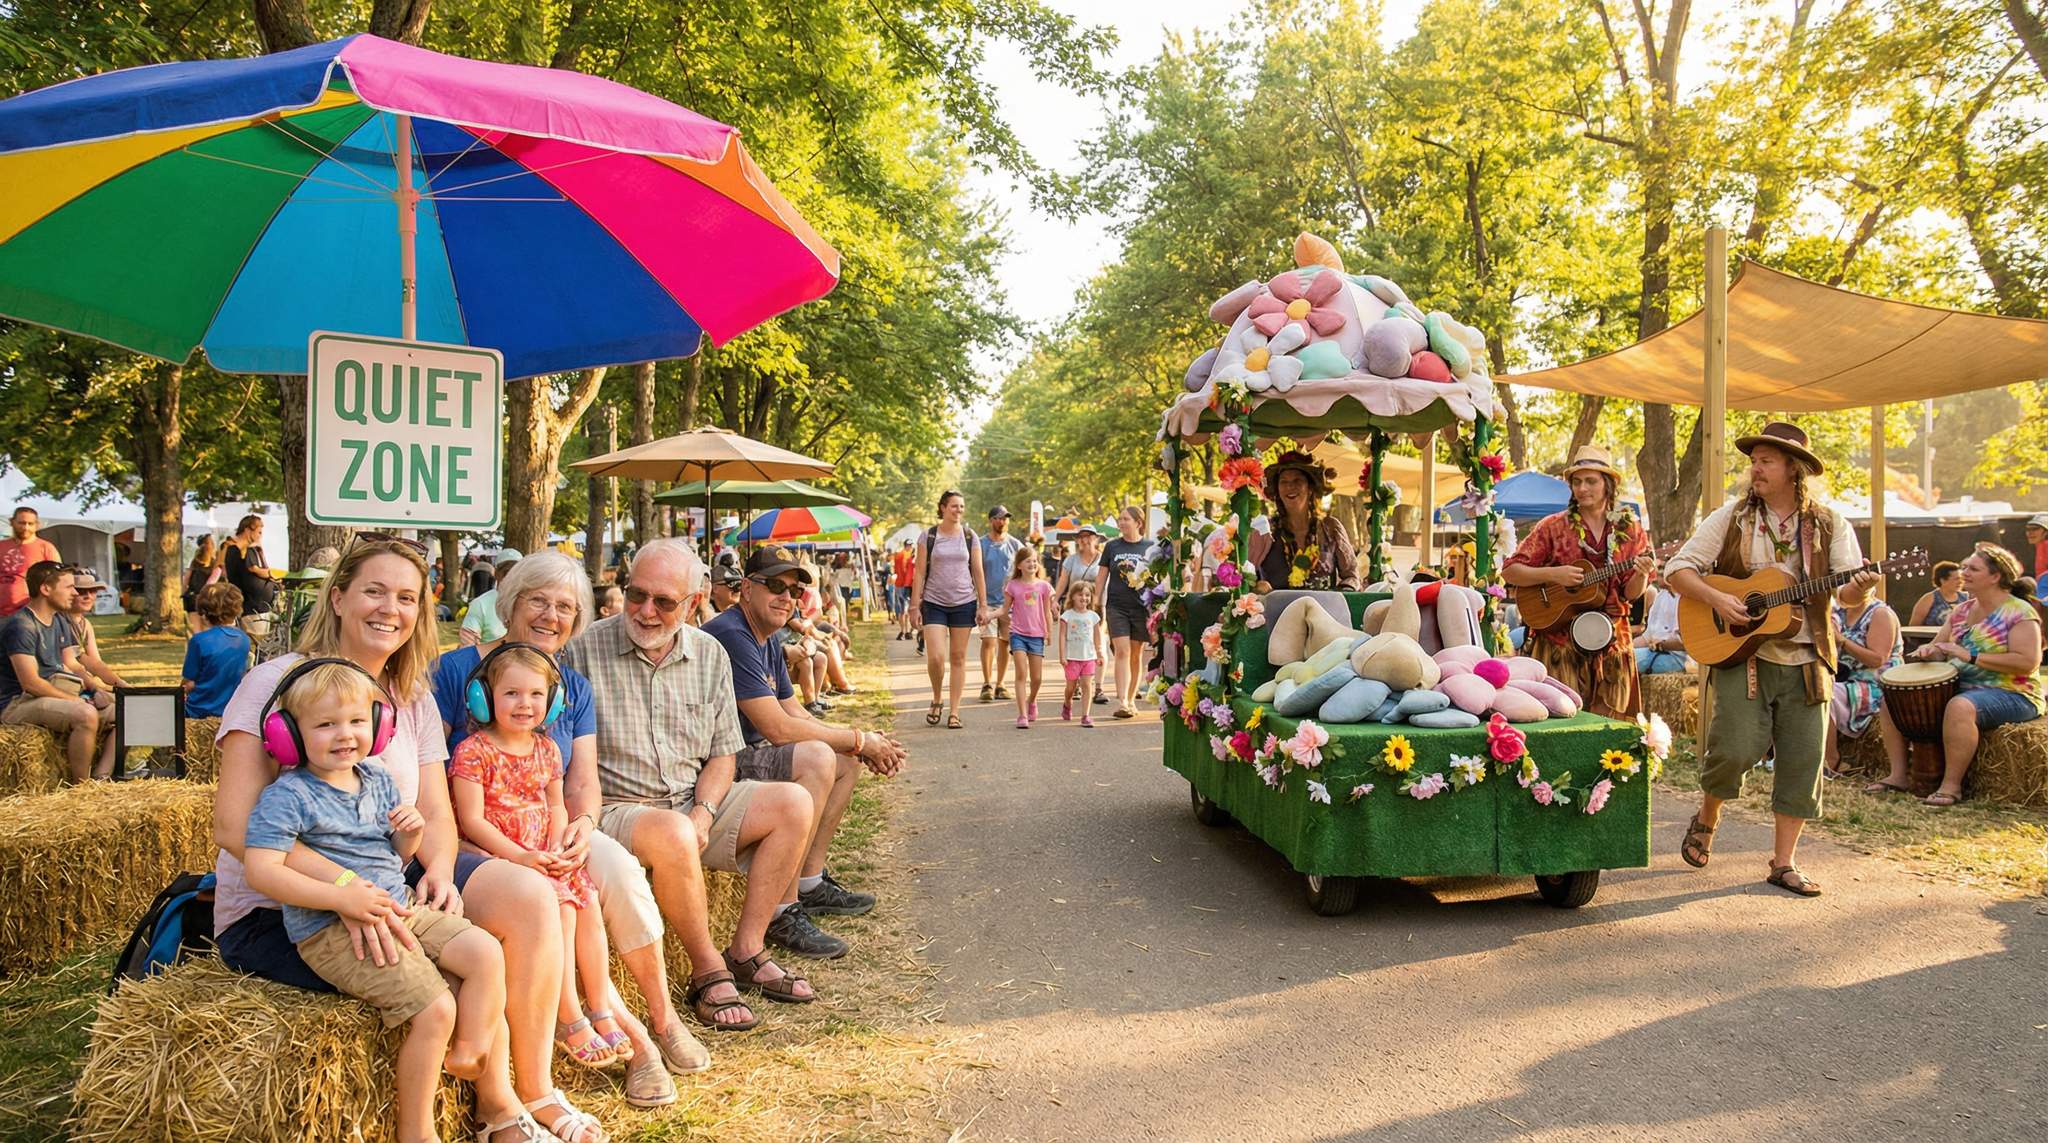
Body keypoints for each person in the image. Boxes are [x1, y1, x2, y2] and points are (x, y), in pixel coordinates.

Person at [212, 538, 597, 1143]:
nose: (389, 608)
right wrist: (345, 888)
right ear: (337, 597)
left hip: (395, 882)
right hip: (280, 910)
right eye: (374, 591)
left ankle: (536, 1086)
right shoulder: (275, 683)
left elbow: (436, 813)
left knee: (528, 896)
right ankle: (497, 1110)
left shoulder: (409, 696)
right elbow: (236, 829)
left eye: (407, 598)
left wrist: (439, 872)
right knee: (442, 982)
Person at [430, 551, 691, 1108]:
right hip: (480, 836)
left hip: (548, 826)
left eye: (566, 608)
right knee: (544, 897)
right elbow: (434, 780)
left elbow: (580, 782)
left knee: (613, 872)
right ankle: (629, 1037)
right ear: (509, 604)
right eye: (538, 601)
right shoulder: (456, 673)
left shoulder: (571, 685)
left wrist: (581, 828)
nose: (551, 616)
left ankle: (659, 1015)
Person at [241, 660, 534, 1143]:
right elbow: (263, 869)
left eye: (357, 722)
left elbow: (390, 857)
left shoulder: (375, 779)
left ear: (379, 728)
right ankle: (416, 1132)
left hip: (397, 905)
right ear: (289, 735)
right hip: (330, 928)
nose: (344, 735)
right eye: (325, 724)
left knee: (485, 953)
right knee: (436, 1008)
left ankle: (468, 1051)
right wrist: (341, 896)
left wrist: (409, 839)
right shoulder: (288, 795)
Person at [559, 538, 826, 1035]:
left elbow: (724, 753)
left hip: (691, 799)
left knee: (793, 801)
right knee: (675, 833)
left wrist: (704, 809)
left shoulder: (708, 654)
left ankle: (746, 949)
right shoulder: (582, 652)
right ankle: (707, 970)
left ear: (693, 602)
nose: (644, 611)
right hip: (619, 809)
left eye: (663, 602)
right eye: (636, 595)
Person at [1665, 422, 1879, 898]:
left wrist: (1859, 585)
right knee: (1734, 749)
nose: (1755, 469)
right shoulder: (1733, 516)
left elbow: (1844, 591)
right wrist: (1718, 601)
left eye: (1766, 461)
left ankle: (1784, 862)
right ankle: (1707, 816)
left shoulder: (1828, 523)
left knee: (1803, 763)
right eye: (1754, 460)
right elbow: (1677, 569)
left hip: (1808, 658)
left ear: (1793, 469)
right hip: (1746, 655)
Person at [701, 546, 904, 931]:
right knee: (818, 757)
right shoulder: (732, 633)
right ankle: (782, 908)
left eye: (794, 591)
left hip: (746, 752)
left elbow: (796, 712)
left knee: (843, 760)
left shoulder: (766, 636)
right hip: (716, 763)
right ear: (745, 588)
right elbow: (777, 728)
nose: (787, 597)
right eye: (775, 585)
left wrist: (856, 743)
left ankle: (808, 882)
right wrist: (859, 739)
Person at [449, 645, 626, 1073]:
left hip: (542, 852)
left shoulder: (547, 750)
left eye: (534, 694)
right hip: (502, 857)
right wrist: (521, 858)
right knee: (562, 912)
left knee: (587, 908)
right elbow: (471, 820)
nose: (524, 704)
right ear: (483, 698)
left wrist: (556, 847)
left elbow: (556, 805)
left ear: (553, 702)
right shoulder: (473, 752)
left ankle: (600, 1005)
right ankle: (569, 1016)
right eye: (510, 693)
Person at [1870, 543, 2043, 806]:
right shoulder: (1961, 611)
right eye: (1963, 567)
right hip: (1965, 687)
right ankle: (1898, 775)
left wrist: (1970, 656)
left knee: (1959, 707)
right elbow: (1941, 649)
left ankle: (1951, 787)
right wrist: (1930, 652)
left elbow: (2027, 662)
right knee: (1891, 699)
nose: (1965, 572)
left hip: (2014, 693)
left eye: (1973, 568)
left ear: (1995, 577)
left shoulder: (2019, 612)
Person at [1502, 445, 1656, 718]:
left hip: (1612, 644)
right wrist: (1554, 574)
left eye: (1591, 481)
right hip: (1559, 642)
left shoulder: (1629, 528)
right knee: (1561, 723)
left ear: (1607, 484)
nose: (1582, 488)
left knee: (1613, 730)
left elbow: (1631, 594)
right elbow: (1511, 571)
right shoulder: (1553, 526)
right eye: (1576, 481)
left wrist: (1642, 573)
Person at [0, 561, 114, 781]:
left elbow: (70, 664)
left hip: (53, 691)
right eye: (69, 587)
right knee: (85, 715)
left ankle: (102, 777)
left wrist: (94, 688)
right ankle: (81, 787)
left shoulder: (59, 620)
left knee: (126, 710)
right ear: (45, 589)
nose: (75, 593)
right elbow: (31, 683)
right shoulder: (21, 626)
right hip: (17, 702)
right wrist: (77, 702)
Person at [910, 491, 990, 730]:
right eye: (954, 506)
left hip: (964, 602)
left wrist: (983, 604)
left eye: (962, 506)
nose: (959, 510)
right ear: (943, 508)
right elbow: (919, 573)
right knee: (936, 657)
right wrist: (914, 605)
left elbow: (977, 570)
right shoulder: (929, 536)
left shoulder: (969, 536)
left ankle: (954, 711)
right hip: (934, 602)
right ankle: (936, 697)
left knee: (958, 658)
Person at [1247, 451, 1360, 593]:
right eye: (1284, 482)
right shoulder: (1265, 531)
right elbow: (1246, 576)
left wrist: (1345, 591)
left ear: (1310, 488)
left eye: (1297, 481)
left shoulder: (1331, 527)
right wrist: (1258, 586)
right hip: (1278, 613)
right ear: (1277, 490)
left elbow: (1351, 576)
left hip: (1324, 612)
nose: (1290, 487)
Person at [1824, 578, 1902, 780]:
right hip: (1843, 679)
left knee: (1825, 693)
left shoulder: (1880, 614)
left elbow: (1877, 659)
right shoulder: (1836, 613)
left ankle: (1831, 761)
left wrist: (1842, 641)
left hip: (1873, 685)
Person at [1096, 505, 1157, 719]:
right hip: (1116, 605)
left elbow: (1156, 577)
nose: (1121, 523)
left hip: (1141, 606)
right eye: (1120, 519)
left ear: (1138, 523)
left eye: (1126, 519)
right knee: (1121, 651)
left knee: (1136, 654)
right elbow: (1102, 575)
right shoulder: (1112, 547)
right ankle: (1121, 701)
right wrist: (1097, 601)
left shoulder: (1150, 546)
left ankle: (1131, 699)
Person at [61, 569, 128, 740]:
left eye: (92, 591)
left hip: (83, 682)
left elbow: (95, 663)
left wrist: (121, 685)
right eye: (81, 591)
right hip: (68, 684)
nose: (88, 596)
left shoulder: (85, 624)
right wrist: (97, 688)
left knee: (129, 702)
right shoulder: (60, 621)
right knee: (126, 710)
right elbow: (71, 665)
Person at [1054, 528, 1110, 707]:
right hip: (1074, 607)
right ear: (1077, 540)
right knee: (1075, 642)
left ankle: (1099, 687)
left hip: (1097, 606)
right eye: (1081, 537)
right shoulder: (1071, 560)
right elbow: (1063, 581)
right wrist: (1055, 599)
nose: (1085, 540)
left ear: (1096, 539)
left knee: (1099, 643)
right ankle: (1075, 682)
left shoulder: (1103, 559)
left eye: (1088, 537)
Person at [1001, 546, 1054, 729]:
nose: (1032, 563)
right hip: (1018, 635)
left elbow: (1047, 611)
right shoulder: (1013, 585)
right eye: (1028, 561)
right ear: (1019, 565)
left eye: (1035, 560)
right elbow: (1004, 609)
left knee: (1037, 678)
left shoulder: (1044, 586)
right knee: (1021, 674)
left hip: (1037, 635)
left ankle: (1032, 700)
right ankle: (1022, 714)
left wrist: (1048, 632)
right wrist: (990, 616)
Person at [976, 506, 1024, 704]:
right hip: (987, 601)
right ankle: (987, 683)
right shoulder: (981, 544)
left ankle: (1000, 684)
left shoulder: (1015, 544)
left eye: (1005, 518)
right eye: (998, 518)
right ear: (991, 520)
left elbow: (1027, 567)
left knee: (1005, 643)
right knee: (989, 641)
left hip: (1009, 602)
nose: (1002, 522)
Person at [182, 582, 250, 719]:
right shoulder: (244, 639)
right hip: (230, 710)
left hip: (198, 711)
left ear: (204, 613)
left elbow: (188, 683)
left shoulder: (199, 641)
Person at [0, 506, 61, 619]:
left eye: (30, 524)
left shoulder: (46, 548)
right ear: (12, 522)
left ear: (37, 525)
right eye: (21, 523)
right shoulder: (1, 546)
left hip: (30, 614)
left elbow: (59, 580)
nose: (25, 527)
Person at [1058, 580, 1101, 727]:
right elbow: (1062, 636)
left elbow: (1097, 636)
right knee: (1071, 687)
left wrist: (1099, 652)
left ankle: (1085, 715)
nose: (1084, 598)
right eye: (1080, 594)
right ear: (1073, 597)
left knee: (1087, 685)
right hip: (1072, 657)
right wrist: (1062, 655)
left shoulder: (1093, 616)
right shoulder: (1067, 616)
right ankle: (1067, 703)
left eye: (1087, 595)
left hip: (1088, 657)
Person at [461, 549, 523, 647]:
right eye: (507, 572)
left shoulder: (531, 604)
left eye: (516, 572)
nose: (512, 577)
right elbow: (468, 646)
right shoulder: (480, 604)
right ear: (496, 573)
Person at [1633, 572, 1689, 675]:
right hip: (1655, 651)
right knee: (1617, 656)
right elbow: (1647, 637)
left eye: (1663, 567)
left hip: (1676, 658)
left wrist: (1660, 645)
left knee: (1624, 663)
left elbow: (1686, 644)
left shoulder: (1687, 600)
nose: (1658, 572)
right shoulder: (1661, 595)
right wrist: (1625, 647)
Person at [221, 515, 278, 616]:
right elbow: (253, 569)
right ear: (248, 530)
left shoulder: (249, 549)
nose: (260, 536)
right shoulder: (239, 549)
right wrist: (273, 574)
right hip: (252, 608)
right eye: (258, 532)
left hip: (258, 607)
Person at [1908, 561, 1968, 628]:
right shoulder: (1929, 599)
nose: (1960, 582)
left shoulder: (1967, 598)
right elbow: (1913, 627)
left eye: (1961, 578)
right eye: (1956, 579)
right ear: (1942, 580)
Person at [184, 535, 219, 614]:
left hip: (192, 599)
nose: (213, 544)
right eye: (211, 542)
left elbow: (186, 580)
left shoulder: (194, 562)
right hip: (207, 600)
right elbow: (210, 584)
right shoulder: (215, 565)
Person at [891, 539, 917, 641]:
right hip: (907, 585)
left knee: (903, 610)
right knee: (907, 610)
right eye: (909, 546)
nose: (910, 547)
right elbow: (907, 571)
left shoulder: (898, 555)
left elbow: (896, 570)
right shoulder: (908, 556)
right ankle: (906, 632)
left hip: (899, 584)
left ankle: (903, 631)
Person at [2026, 514, 2048, 580]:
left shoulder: (2046, 545)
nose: (2030, 532)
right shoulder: (2039, 546)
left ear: (2046, 532)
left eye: (2035, 529)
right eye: (2028, 529)